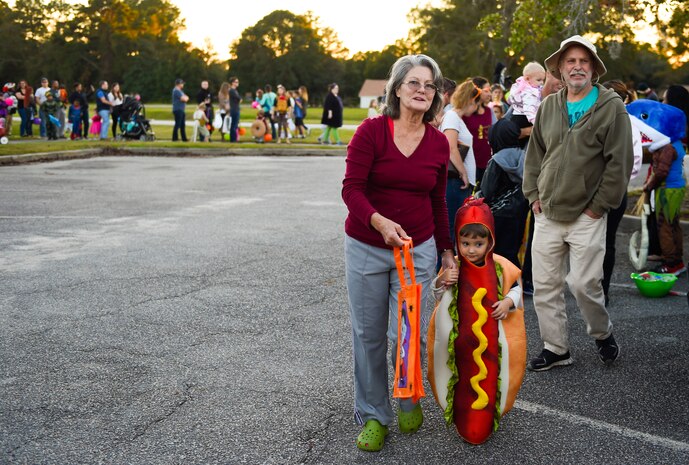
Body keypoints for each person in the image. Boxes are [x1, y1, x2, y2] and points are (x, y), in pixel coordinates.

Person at [342, 54, 454, 452]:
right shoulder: (371, 132)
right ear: (396, 89)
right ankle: (374, 414)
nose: (422, 90)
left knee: (403, 334)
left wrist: (446, 252)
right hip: (367, 247)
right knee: (368, 335)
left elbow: (439, 200)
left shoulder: (439, 143)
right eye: (414, 83)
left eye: (430, 85)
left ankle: (407, 396)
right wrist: (380, 222)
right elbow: (351, 190)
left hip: (416, 251)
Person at [522, 35, 633, 371]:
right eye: (570, 61)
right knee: (544, 287)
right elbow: (535, 155)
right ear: (560, 67)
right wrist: (533, 196)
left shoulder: (611, 107)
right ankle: (556, 348)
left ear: (594, 68)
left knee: (584, 285)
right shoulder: (550, 106)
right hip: (548, 212)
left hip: (587, 213)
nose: (577, 67)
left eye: (584, 61)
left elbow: (620, 163)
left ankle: (601, 333)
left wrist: (599, 206)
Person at [601, 80, 643, 304]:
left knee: (605, 242)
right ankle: (592, 289)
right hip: (597, 189)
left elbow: (634, 161)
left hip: (613, 190)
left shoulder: (628, 123)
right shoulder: (595, 118)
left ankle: (602, 290)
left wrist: (617, 179)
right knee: (590, 241)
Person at [439, 80, 480, 245]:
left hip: (459, 184)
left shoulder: (454, 117)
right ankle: (443, 269)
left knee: (455, 229)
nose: (477, 108)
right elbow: (450, 146)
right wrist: (463, 172)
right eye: (477, 103)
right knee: (450, 230)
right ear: (471, 101)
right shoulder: (452, 117)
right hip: (455, 182)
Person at [463, 77, 495, 183]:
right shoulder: (465, 113)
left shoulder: (489, 111)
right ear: (477, 90)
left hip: (487, 163)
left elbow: (494, 133)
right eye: (486, 91)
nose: (490, 94)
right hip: (469, 163)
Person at [507, 61, 546, 131]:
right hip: (526, 119)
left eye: (543, 80)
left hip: (517, 117)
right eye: (539, 80)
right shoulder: (528, 92)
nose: (542, 83)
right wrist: (536, 123)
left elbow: (510, 100)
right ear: (527, 79)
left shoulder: (519, 86)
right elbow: (528, 109)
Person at [229, 77, 241, 142]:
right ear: (232, 83)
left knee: (235, 125)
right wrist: (239, 99)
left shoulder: (235, 91)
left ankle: (234, 138)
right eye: (236, 82)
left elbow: (239, 99)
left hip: (236, 108)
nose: (237, 83)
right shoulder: (232, 90)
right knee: (233, 125)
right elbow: (239, 99)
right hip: (234, 109)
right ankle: (233, 139)